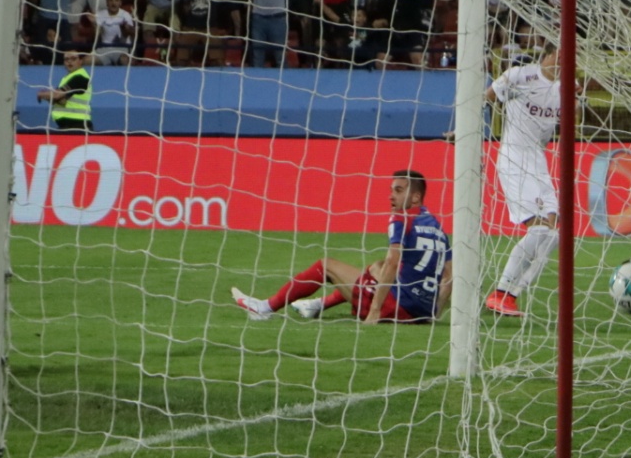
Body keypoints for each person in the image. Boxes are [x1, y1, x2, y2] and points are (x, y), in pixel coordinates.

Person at [230, 169, 452, 324]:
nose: (391, 196)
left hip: (397, 308)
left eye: (398, 190)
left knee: (326, 266)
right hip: (421, 312)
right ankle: (316, 305)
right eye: (392, 190)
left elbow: (393, 263)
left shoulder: (401, 218)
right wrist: (433, 313)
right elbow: (449, 275)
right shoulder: (437, 227)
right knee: (376, 267)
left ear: (415, 197)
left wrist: (375, 311)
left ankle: (264, 308)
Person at [484, 46, 565, 319]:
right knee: (540, 230)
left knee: (554, 235)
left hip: (538, 161)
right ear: (548, 54)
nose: (565, 60)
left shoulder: (565, 89)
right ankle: (500, 294)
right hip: (514, 158)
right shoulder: (520, 75)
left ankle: (510, 295)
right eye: (561, 54)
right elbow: (487, 98)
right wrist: (464, 131)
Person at [37, 48, 92, 130]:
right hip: (67, 126)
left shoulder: (80, 77)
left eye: (73, 59)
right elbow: (61, 101)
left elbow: (56, 95)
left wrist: (41, 94)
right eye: (66, 59)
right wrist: (53, 96)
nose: (69, 62)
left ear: (80, 61)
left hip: (78, 125)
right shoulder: (66, 79)